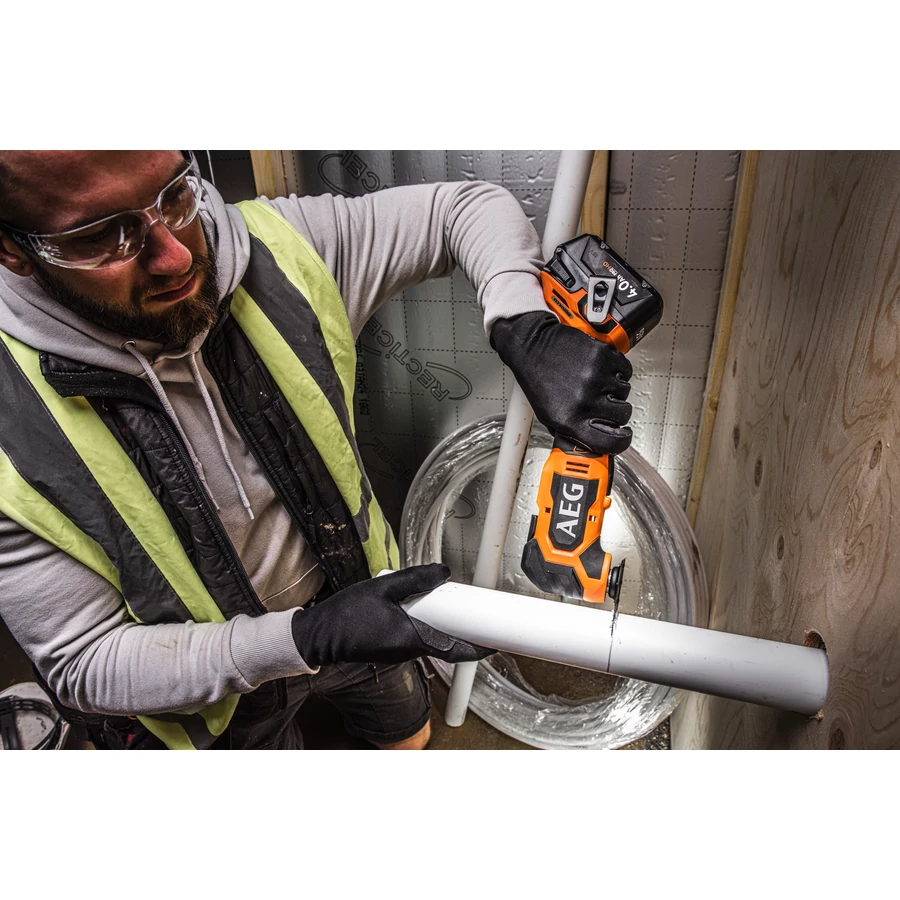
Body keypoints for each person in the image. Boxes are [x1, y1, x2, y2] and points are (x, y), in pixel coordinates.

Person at [0, 150, 634, 750]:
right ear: (13, 250)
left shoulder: (277, 252)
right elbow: (84, 663)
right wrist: (309, 638)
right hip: (209, 691)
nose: (175, 255)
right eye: (102, 236)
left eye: (174, 195)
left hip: (367, 606)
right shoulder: (12, 421)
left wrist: (522, 322)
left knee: (408, 738)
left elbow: (462, 209)